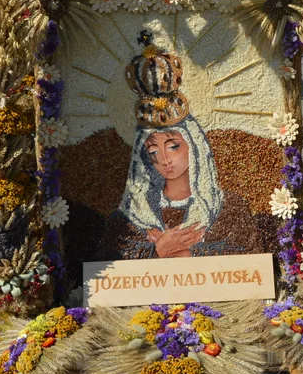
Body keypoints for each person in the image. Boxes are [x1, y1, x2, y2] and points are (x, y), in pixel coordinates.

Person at [100, 30, 264, 259]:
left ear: (194, 146)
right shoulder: (126, 220)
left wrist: (180, 252)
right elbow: (110, 270)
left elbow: (248, 262)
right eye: (153, 150)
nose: (164, 158)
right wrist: (158, 251)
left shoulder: (229, 209)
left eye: (173, 145)